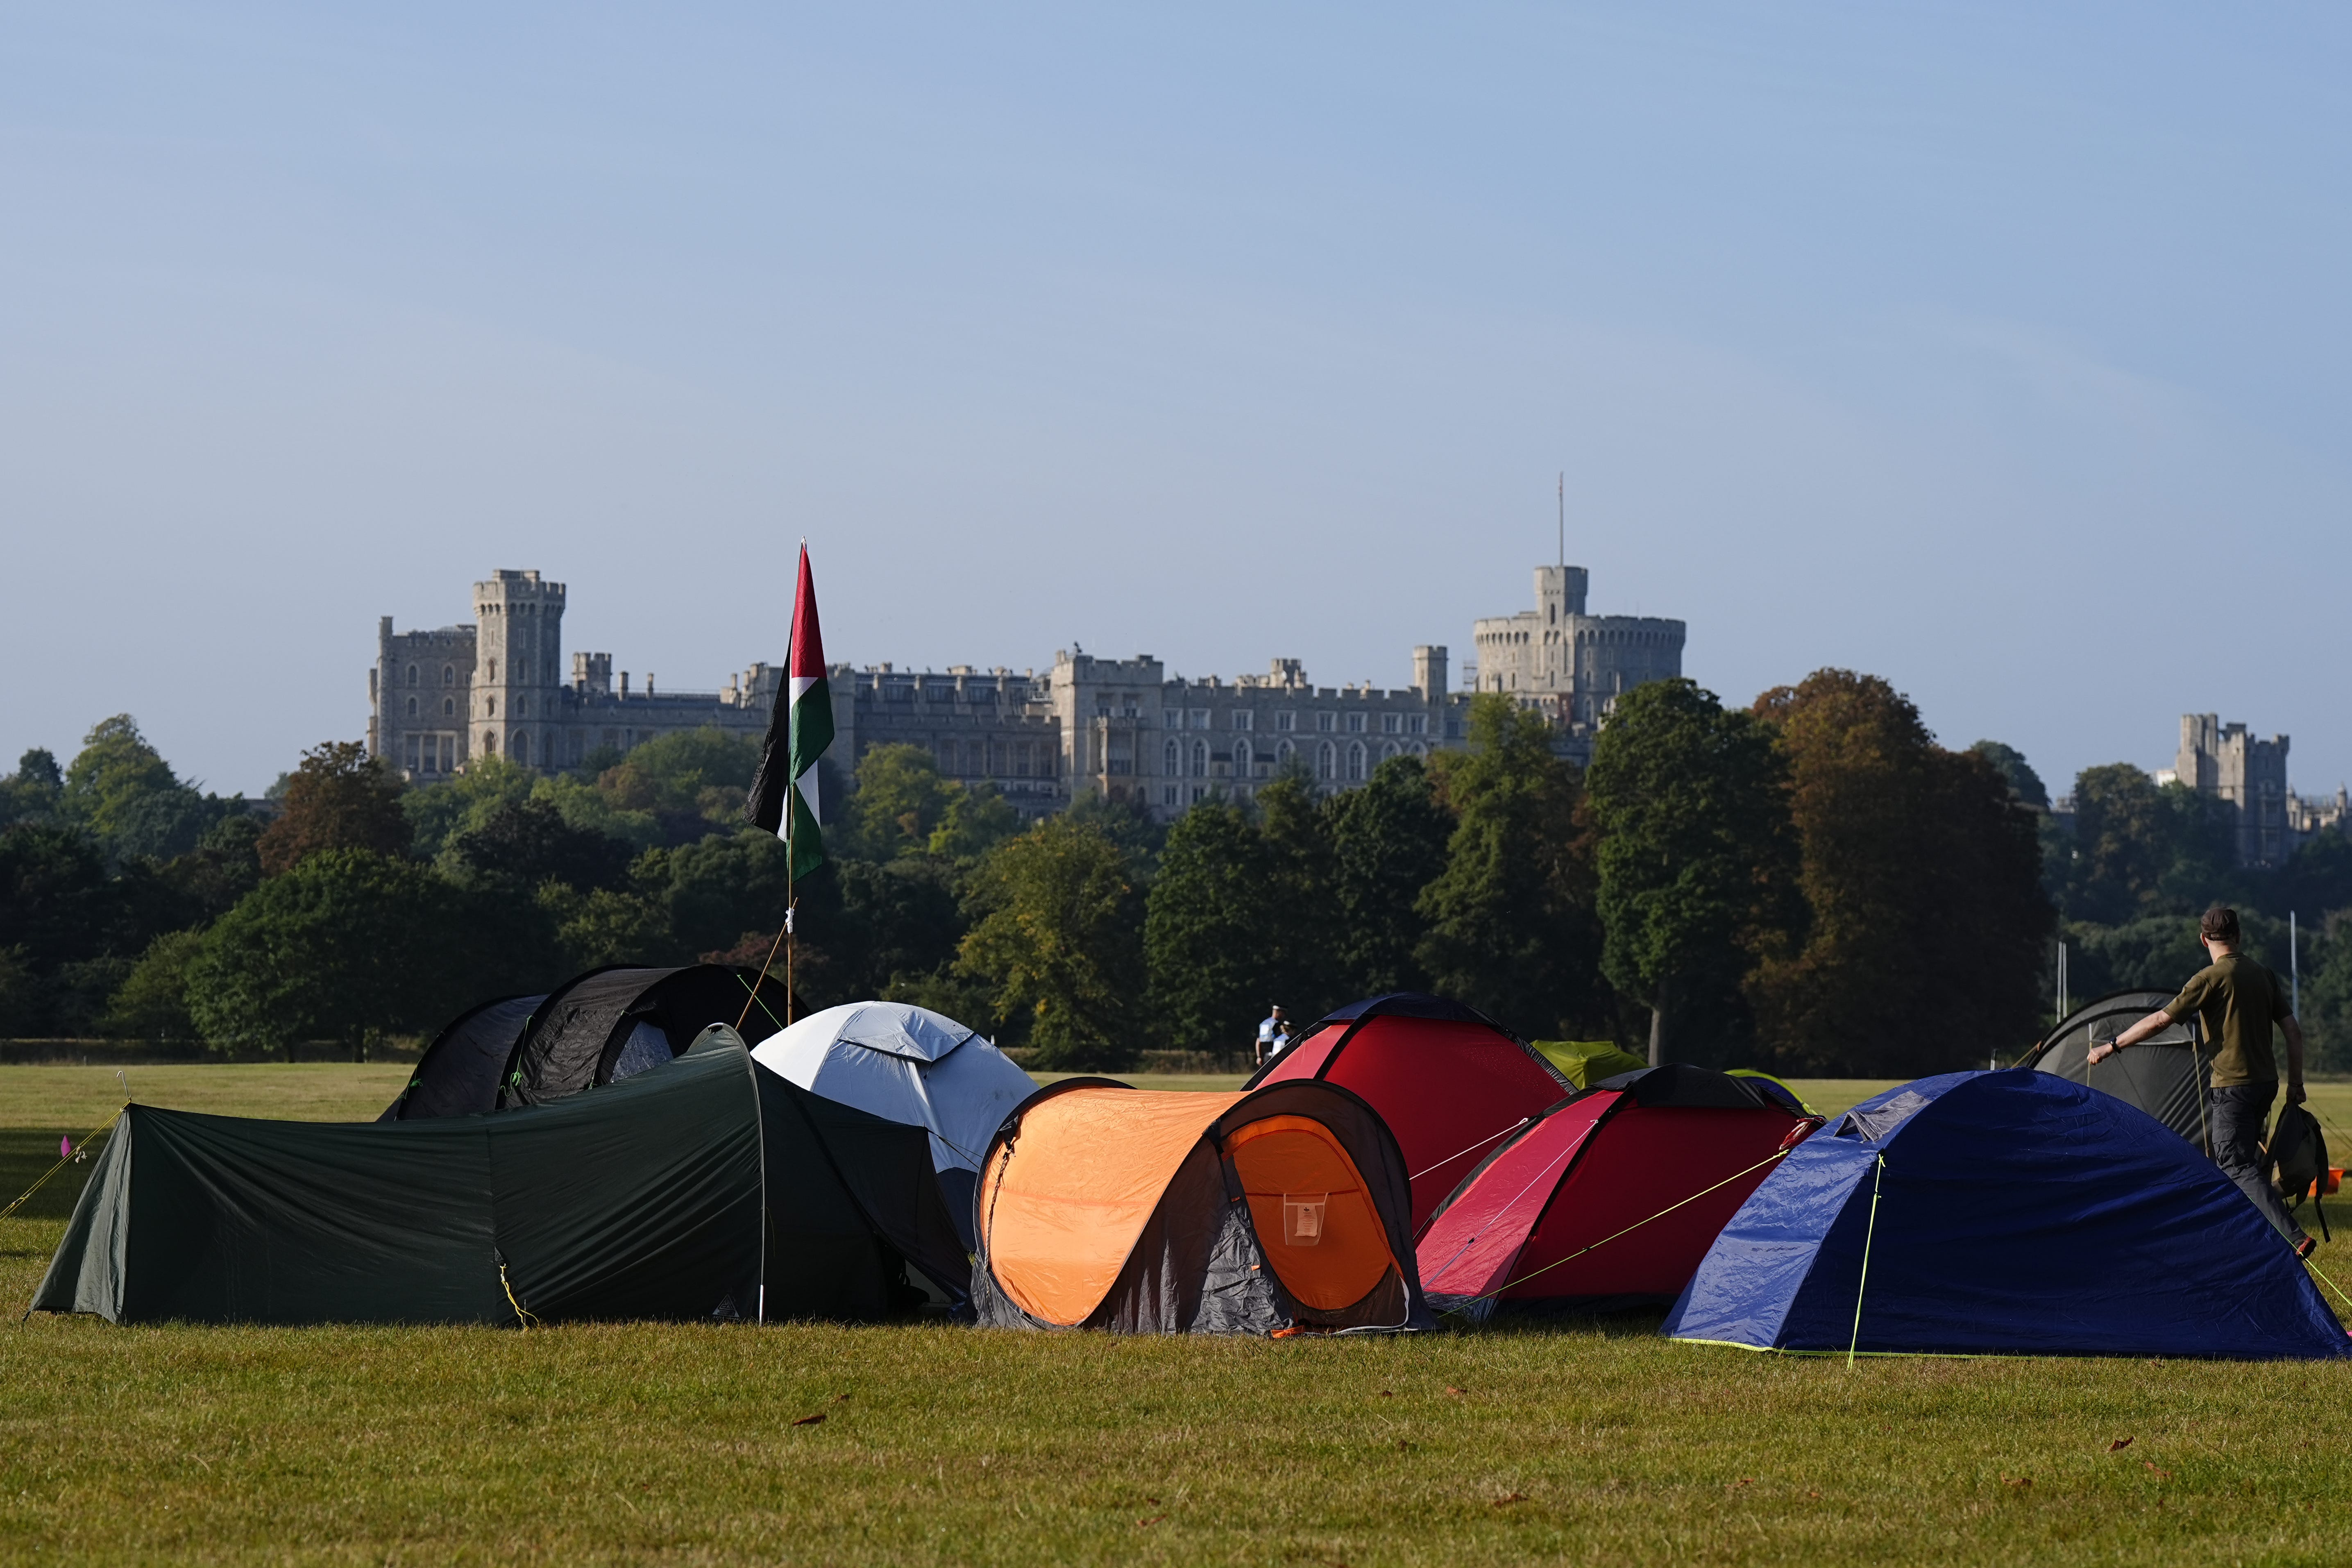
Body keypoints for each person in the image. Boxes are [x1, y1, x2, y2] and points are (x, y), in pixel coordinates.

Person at [2089, 905, 2313, 1257]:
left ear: (2203, 939)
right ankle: (2246, 1240)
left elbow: (2160, 1020)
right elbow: (2293, 1032)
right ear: (2238, 935)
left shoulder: (2208, 979)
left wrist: (2112, 1045)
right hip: (2265, 1084)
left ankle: (2293, 1236)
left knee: (2234, 1164)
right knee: (2246, 1163)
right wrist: (2296, 1083)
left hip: (2232, 1087)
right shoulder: (2263, 974)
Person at [1256, 1005, 1289, 1069]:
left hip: (1265, 1057)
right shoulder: (1277, 1024)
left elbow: (1258, 1042)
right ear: (1279, 1012)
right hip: (1274, 1057)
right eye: (1284, 1013)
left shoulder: (1264, 1024)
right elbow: (1280, 1041)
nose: (1284, 1016)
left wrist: (1259, 1057)